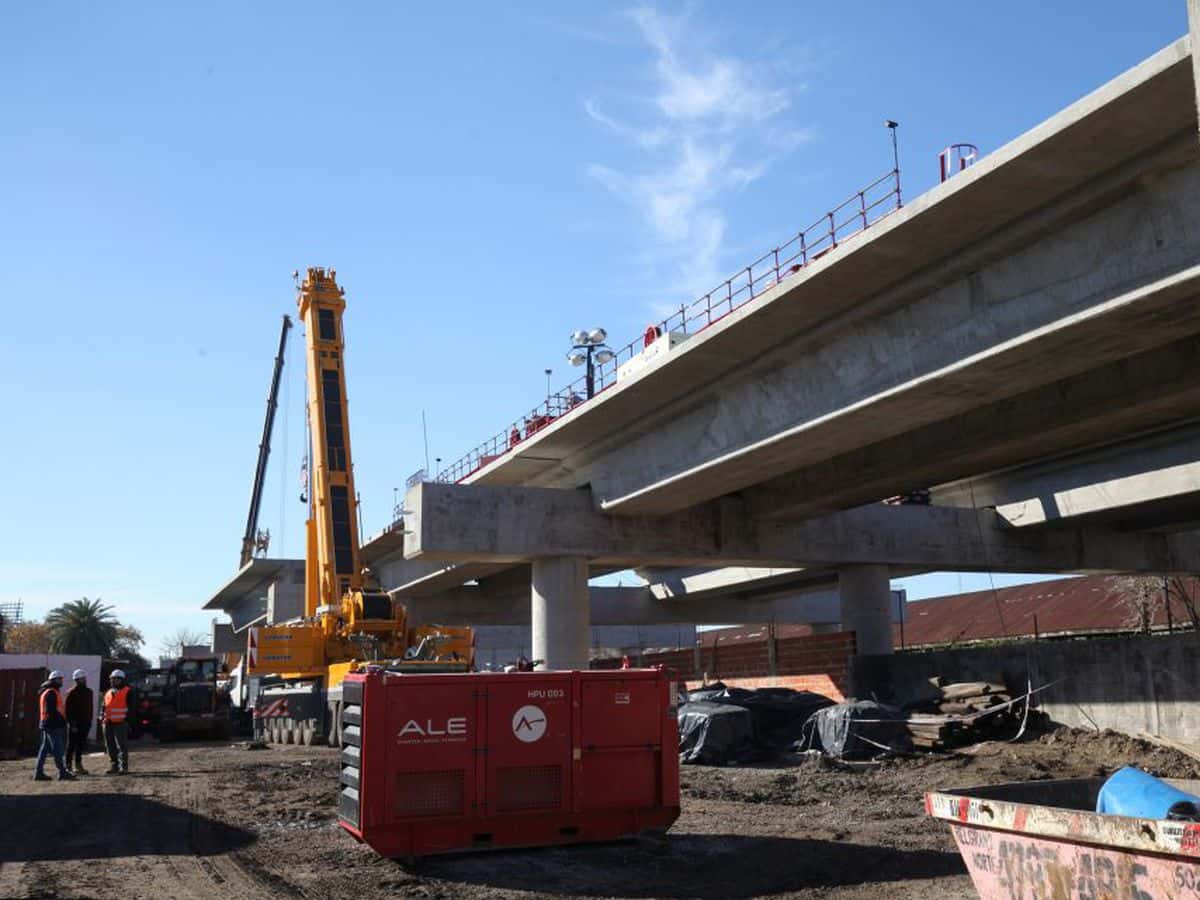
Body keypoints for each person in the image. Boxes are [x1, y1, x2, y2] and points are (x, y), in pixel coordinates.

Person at [34, 671, 74, 782]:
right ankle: (62, 772)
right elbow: (51, 710)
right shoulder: (51, 692)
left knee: (44, 749)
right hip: (52, 724)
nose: (61, 681)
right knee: (58, 749)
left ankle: (38, 772)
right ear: (53, 680)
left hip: (47, 723)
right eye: (59, 679)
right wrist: (61, 721)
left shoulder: (48, 691)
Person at [101, 669, 134, 775]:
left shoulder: (128, 691)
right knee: (110, 746)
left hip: (121, 722)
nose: (113, 681)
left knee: (122, 746)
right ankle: (114, 766)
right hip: (108, 722)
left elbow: (132, 708)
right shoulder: (108, 692)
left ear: (121, 680)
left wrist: (128, 721)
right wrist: (102, 717)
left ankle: (123, 767)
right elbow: (104, 706)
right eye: (112, 679)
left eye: (115, 679)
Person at [64, 669, 94, 775]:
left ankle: (78, 765)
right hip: (75, 724)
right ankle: (67, 766)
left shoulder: (89, 692)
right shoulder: (71, 693)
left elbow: (90, 709)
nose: (83, 680)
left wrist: (89, 722)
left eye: (84, 678)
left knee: (80, 745)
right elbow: (67, 711)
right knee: (71, 745)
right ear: (76, 680)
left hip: (85, 724)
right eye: (81, 678)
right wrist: (72, 724)